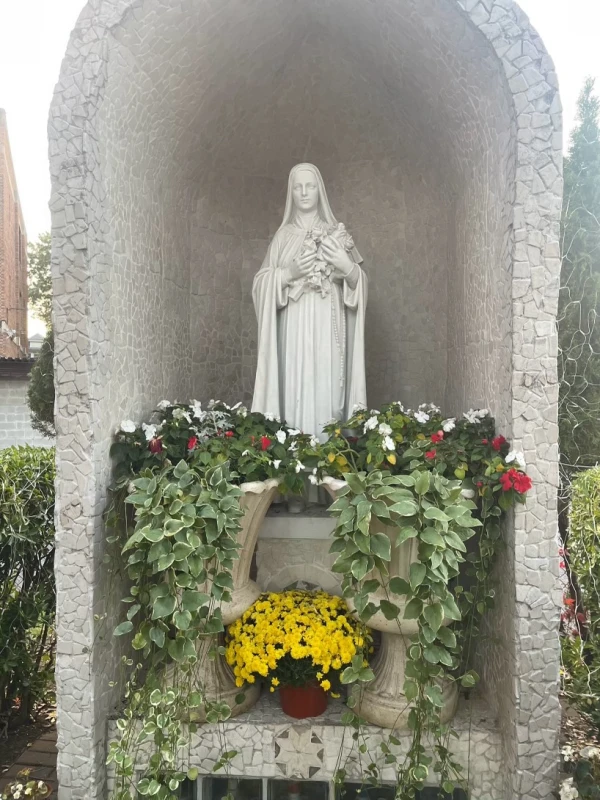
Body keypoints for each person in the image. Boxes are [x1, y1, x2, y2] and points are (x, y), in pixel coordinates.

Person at [251, 163, 367, 439]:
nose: (304, 192)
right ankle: (293, 469)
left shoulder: (335, 234)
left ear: (320, 191)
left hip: (329, 328)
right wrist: (289, 273)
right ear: (290, 192)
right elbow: (259, 285)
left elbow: (358, 284)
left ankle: (328, 465)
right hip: (293, 331)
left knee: (327, 393)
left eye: (310, 186)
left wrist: (346, 266)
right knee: (294, 391)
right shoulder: (283, 237)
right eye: (297, 187)